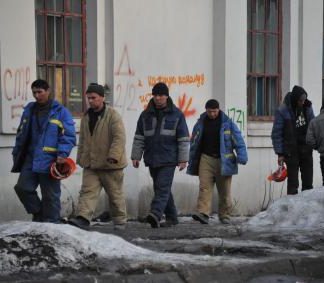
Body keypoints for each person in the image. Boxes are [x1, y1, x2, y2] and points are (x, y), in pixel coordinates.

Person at [11, 79, 76, 223]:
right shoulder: (29, 111)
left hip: (50, 160)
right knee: (22, 188)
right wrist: (17, 154)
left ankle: (53, 225)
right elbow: (21, 134)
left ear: (48, 91)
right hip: (31, 158)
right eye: (34, 92)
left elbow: (69, 135)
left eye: (39, 92)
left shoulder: (60, 112)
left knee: (50, 196)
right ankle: (39, 213)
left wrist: (62, 154)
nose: (36, 95)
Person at [68, 83, 128, 230]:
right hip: (91, 164)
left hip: (111, 165)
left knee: (115, 195)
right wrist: (81, 158)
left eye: (93, 97)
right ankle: (82, 218)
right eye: (88, 98)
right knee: (87, 191)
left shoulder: (113, 116)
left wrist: (113, 156)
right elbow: (82, 139)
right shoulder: (86, 117)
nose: (90, 101)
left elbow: (119, 137)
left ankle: (120, 221)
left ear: (102, 98)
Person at [131, 82, 190, 228]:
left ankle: (155, 214)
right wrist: (136, 156)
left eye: (161, 95)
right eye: (156, 95)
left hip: (169, 159)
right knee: (161, 188)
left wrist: (183, 159)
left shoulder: (177, 115)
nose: (158, 98)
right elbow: (139, 137)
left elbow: (183, 139)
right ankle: (172, 217)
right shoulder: (145, 115)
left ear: (166, 96)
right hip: (152, 158)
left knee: (162, 187)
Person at [187, 99, 248, 224]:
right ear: (206, 110)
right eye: (210, 111)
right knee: (204, 187)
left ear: (219, 109)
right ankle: (203, 213)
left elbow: (238, 140)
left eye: (214, 111)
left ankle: (224, 215)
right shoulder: (200, 123)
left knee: (224, 190)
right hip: (206, 158)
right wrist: (191, 158)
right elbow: (193, 142)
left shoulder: (227, 123)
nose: (212, 114)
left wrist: (242, 156)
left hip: (224, 160)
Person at [271, 85, 314, 195]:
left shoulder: (308, 107)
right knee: (293, 185)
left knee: (308, 183)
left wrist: (314, 143)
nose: (303, 103)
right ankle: (292, 210)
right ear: (295, 99)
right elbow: (277, 133)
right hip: (291, 151)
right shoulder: (283, 110)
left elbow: (314, 126)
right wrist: (280, 153)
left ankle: (309, 208)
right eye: (300, 101)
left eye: (304, 100)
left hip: (306, 149)